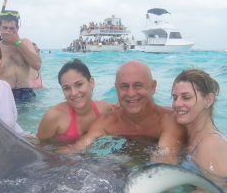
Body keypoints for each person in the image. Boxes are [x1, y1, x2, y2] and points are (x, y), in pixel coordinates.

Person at [59, 60, 187, 164]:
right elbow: (76, 149)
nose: (131, 94)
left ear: (152, 87)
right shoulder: (105, 123)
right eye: (124, 86)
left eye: (138, 85)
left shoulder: (169, 120)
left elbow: (164, 159)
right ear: (116, 89)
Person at [171, 69, 227, 178]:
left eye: (186, 97)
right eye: (175, 98)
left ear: (208, 100)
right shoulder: (190, 136)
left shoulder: (210, 144)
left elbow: (214, 191)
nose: (177, 104)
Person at [37, 58, 114, 140]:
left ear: (91, 83)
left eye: (79, 84)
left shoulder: (107, 109)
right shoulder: (53, 116)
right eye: (67, 88)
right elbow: (39, 146)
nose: (73, 93)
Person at [0, 8, 41, 101]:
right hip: (4, 94)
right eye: (5, 28)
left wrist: (17, 43)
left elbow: (37, 65)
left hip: (26, 93)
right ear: (0, 27)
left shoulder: (25, 43)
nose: (8, 31)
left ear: (17, 29)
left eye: (12, 28)